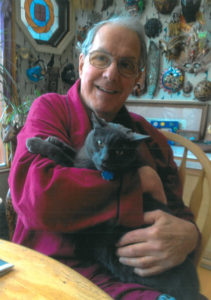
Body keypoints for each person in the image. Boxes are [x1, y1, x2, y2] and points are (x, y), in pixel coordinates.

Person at [9, 16, 199, 300]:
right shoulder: (50, 109)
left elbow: (176, 211)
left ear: (138, 78)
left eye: (126, 65)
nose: (112, 74)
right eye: (101, 58)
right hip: (56, 275)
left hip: (137, 281)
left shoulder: (151, 138)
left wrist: (190, 236)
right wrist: (136, 184)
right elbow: (39, 197)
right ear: (83, 63)